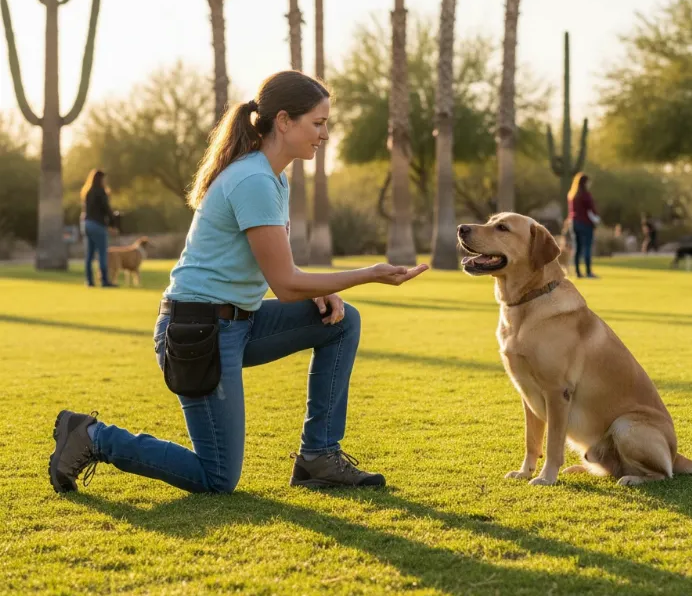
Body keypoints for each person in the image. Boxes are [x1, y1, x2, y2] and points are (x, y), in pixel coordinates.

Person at [49, 71, 428, 496]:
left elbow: (275, 262)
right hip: (199, 332)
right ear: (283, 121)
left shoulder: (273, 178)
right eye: (317, 123)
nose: (324, 134)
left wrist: (321, 288)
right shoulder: (253, 180)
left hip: (239, 323)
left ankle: (318, 456)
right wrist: (371, 274)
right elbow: (285, 285)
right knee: (216, 477)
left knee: (341, 322)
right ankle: (92, 437)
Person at [80, 169, 116, 288]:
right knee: (102, 254)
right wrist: (112, 223)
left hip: (87, 224)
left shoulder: (87, 192)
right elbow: (106, 209)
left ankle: (89, 281)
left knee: (89, 255)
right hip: (98, 225)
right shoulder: (100, 192)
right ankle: (104, 280)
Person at [568, 172, 600, 279]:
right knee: (587, 247)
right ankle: (588, 272)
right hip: (585, 223)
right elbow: (591, 210)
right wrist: (596, 219)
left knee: (577, 248)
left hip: (574, 222)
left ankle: (577, 272)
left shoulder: (572, 195)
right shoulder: (586, 195)